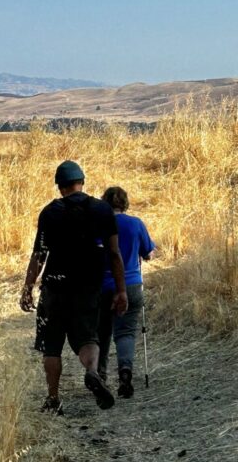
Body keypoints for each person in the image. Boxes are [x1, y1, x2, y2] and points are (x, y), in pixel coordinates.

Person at [20, 160, 128, 414]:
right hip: (89, 286)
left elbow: (39, 254)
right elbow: (114, 253)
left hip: (55, 287)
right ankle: (91, 371)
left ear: (60, 187)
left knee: (52, 344)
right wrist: (121, 290)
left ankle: (53, 398)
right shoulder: (102, 210)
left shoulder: (50, 212)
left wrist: (28, 287)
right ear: (82, 183)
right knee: (88, 338)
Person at [97, 187, 155, 398]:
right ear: (125, 203)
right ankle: (125, 372)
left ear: (105, 203)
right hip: (131, 284)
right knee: (126, 332)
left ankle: (99, 376)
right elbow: (148, 252)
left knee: (101, 332)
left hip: (103, 286)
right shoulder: (136, 224)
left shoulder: (99, 225)